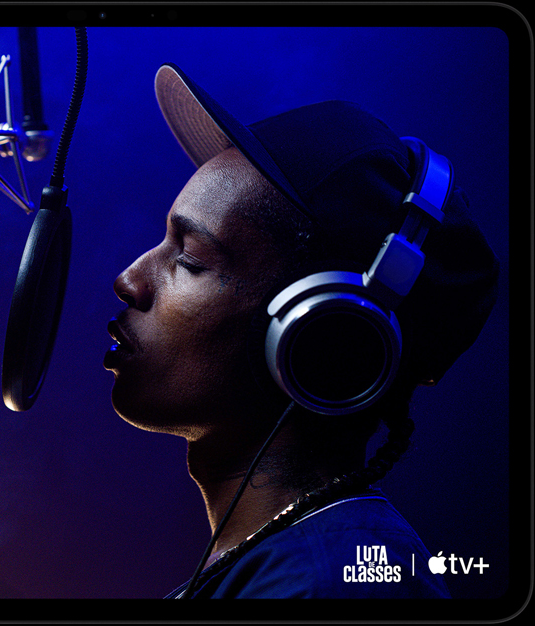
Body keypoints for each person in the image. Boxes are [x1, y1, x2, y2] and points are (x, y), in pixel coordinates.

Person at [103, 63, 499, 599]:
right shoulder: (280, 569)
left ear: (324, 337)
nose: (128, 280)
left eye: (190, 259)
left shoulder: (329, 588)